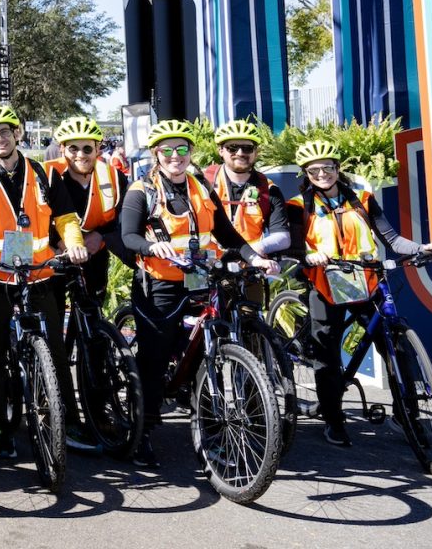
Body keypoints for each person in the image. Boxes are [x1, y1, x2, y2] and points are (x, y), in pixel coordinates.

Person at [119, 120, 280, 467]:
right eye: (167, 150)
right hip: (160, 284)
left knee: (206, 353)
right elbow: (127, 236)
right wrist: (151, 247)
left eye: (182, 149)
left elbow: (227, 233)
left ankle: (210, 431)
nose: (175, 156)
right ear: (156, 154)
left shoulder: (201, 187)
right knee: (155, 357)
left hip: (199, 280)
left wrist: (255, 258)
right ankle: (142, 430)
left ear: (191, 153)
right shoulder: (141, 190)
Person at [286, 139, 432, 447]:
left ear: (337, 169)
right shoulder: (298, 206)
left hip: (368, 279)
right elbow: (294, 246)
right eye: (314, 170)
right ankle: (333, 420)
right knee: (327, 355)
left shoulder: (361, 198)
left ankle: (407, 414)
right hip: (326, 283)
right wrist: (309, 255)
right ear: (306, 174)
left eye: (327, 168)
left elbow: (392, 239)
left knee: (395, 348)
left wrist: (422, 248)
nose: (322, 174)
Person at [0, 103, 86, 461]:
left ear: (17, 134)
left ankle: (56, 418)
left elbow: (66, 218)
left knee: (53, 351)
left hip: (38, 274)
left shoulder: (43, 174)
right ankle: (3, 426)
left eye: (5, 131)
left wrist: (73, 244)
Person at [43, 114, 127, 452]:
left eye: (87, 148)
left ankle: (97, 408)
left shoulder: (115, 176)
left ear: (98, 149)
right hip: (53, 260)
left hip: (93, 260)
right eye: (73, 148)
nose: (81, 154)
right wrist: (57, 244)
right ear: (62, 149)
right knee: (53, 338)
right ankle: (57, 408)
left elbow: (126, 218)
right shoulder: (47, 175)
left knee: (92, 337)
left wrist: (101, 238)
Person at [203, 119, 291, 306]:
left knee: (252, 324)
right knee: (202, 326)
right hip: (207, 267)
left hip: (249, 268)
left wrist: (256, 251)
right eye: (232, 148)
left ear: (256, 152)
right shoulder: (203, 183)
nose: (240, 153)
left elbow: (282, 236)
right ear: (221, 151)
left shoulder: (268, 189)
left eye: (247, 148)